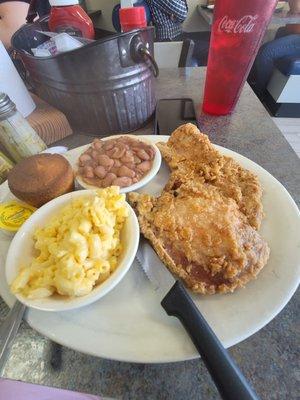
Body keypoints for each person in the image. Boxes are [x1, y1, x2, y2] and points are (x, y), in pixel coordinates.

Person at [249, 0, 300, 98]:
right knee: (260, 47)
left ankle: (259, 94)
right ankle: (252, 83)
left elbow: (296, 8)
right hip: (293, 31)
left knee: (267, 53)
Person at [145, 0, 210, 66]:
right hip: (169, 40)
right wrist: (176, 15)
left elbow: (184, 10)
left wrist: (175, 14)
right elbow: (182, 13)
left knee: (212, 37)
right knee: (212, 48)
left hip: (178, 34)